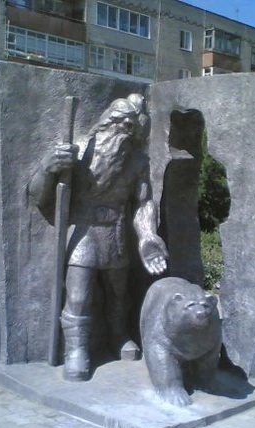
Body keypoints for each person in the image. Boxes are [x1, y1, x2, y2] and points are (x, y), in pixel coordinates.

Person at [29, 93, 168, 381]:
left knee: (118, 293)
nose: (123, 133)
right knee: (78, 296)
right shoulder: (77, 152)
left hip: (115, 232)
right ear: (106, 122)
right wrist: (47, 167)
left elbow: (143, 202)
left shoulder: (137, 161)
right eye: (120, 124)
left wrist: (147, 235)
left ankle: (118, 335)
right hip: (82, 233)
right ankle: (76, 350)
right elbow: (38, 196)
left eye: (131, 129)